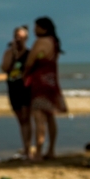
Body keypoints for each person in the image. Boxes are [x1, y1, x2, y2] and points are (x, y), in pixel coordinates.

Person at [23, 17, 67, 161]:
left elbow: (30, 62)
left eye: (37, 27)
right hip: (51, 82)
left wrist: (24, 75)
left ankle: (38, 152)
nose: (35, 30)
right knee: (50, 116)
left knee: (39, 118)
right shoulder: (54, 43)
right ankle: (51, 150)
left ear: (44, 28)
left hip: (40, 82)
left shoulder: (40, 42)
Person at [0, 26, 31, 158]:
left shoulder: (29, 53)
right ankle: (26, 147)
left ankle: (29, 148)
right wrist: (13, 53)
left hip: (26, 89)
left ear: (26, 38)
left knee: (26, 118)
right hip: (13, 88)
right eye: (16, 36)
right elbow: (5, 67)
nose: (18, 39)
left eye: (21, 36)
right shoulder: (9, 53)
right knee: (20, 120)